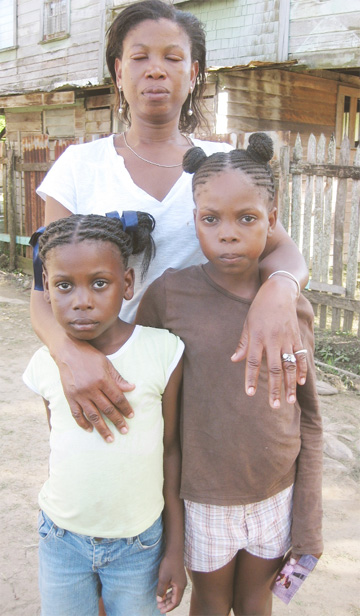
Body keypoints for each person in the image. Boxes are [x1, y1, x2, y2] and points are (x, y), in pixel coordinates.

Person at [32, 0, 309, 444]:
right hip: (111, 378)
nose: (156, 70)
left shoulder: (221, 167)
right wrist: (70, 356)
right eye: (140, 57)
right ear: (119, 72)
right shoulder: (79, 167)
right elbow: (43, 291)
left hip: (211, 375)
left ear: (194, 71)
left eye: (173, 58)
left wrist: (279, 289)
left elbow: (284, 251)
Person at [136, 133, 323, 616]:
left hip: (275, 493)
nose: (228, 233)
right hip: (203, 497)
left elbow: (311, 418)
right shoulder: (169, 297)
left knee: (257, 601)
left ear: (272, 220)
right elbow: (150, 405)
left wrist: (309, 520)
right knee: (213, 604)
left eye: (247, 218)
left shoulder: (290, 306)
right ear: (193, 221)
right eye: (210, 219)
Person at [23, 213, 186, 616]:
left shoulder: (164, 352)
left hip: (140, 545)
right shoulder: (46, 364)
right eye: (63, 285)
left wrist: (175, 550)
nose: (81, 300)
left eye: (99, 283)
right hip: (61, 540)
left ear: (126, 284)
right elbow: (60, 440)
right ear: (47, 289)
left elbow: (171, 451)